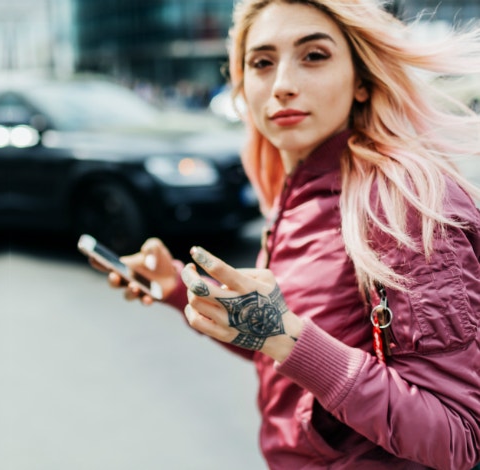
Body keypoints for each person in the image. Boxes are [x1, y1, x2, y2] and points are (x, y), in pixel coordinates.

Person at [92, 0, 480, 468]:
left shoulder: (404, 202)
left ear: (360, 79)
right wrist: (179, 287)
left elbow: (458, 437)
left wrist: (287, 336)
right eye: (261, 63)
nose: (283, 86)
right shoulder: (299, 193)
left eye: (314, 56)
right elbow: (282, 350)